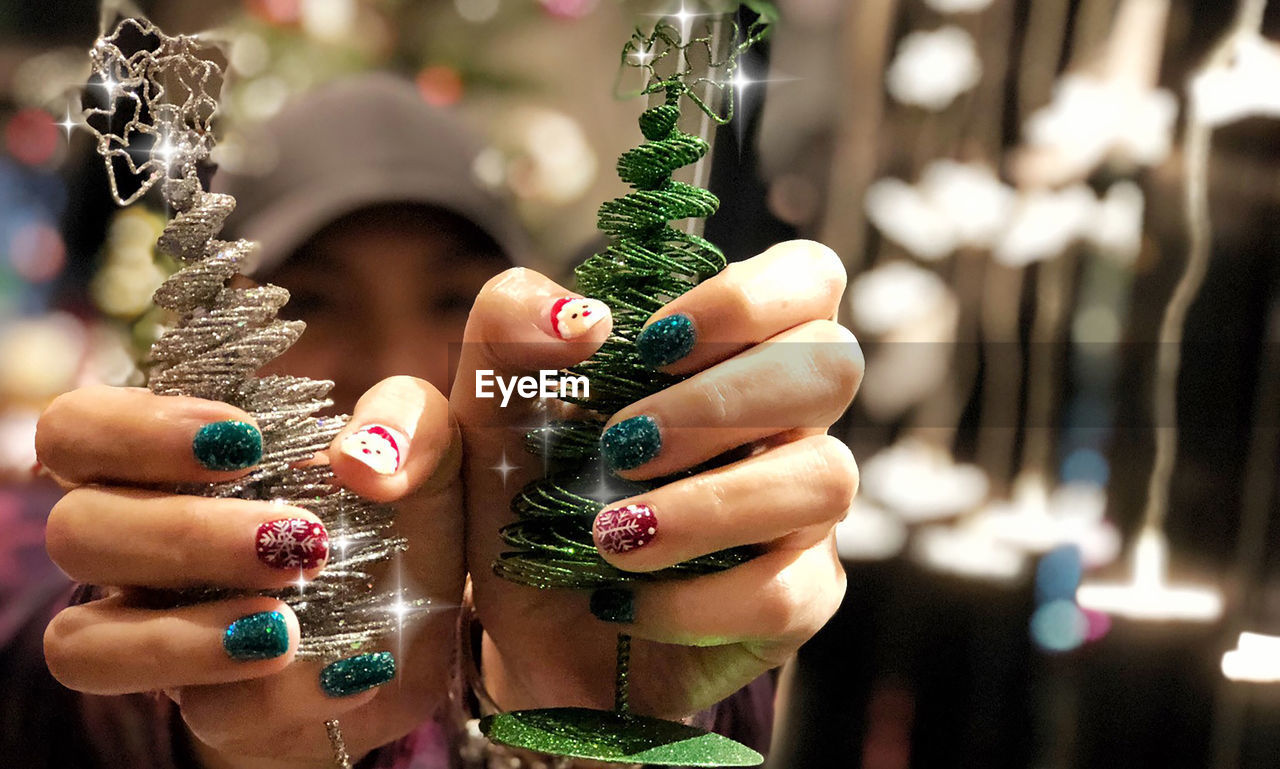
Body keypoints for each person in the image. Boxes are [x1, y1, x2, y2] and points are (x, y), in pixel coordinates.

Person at [19, 74, 862, 768]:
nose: (395, 362)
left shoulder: (622, 559)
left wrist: (584, 714)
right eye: (311, 301)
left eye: (454, 296)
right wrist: (213, 716)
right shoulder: (101, 582)